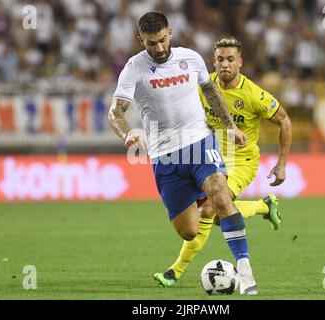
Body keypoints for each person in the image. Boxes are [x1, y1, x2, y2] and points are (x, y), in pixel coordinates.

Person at [108, 13, 258, 295]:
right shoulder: (133, 69)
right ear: (141, 40)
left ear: (171, 33)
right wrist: (126, 133)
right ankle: (228, 202)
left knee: (221, 194)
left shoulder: (191, 58)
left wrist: (230, 127)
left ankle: (246, 270)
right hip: (165, 157)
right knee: (189, 230)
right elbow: (115, 111)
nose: (160, 48)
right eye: (152, 43)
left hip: (200, 143)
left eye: (163, 40)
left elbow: (211, 92)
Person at [154, 37, 292, 288]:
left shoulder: (254, 95)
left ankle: (175, 271)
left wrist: (282, 163)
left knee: (210, 210)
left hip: (242, 161)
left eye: (230, 59)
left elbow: (285, 121)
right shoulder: (204, 86)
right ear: (213, 61)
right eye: (220, 59)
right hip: (211, 156)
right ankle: (264, 206)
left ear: (240, 62)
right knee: (218, 217)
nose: (224, 64)